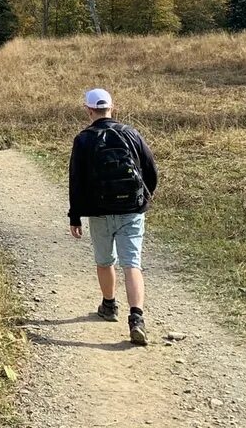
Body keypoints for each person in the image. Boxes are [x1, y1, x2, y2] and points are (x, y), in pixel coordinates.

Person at [67, 87, 158, 346]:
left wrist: (75, 216)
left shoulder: (83, 139)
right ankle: (137, 319)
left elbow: (76, 181)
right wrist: (144, 198)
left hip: (100, 211)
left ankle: (109, 306)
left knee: (105, 261)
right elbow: (151, 169)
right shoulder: (131, 133)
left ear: (88, 109)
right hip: (132, 209)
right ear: (112, 108)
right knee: (132, 264)